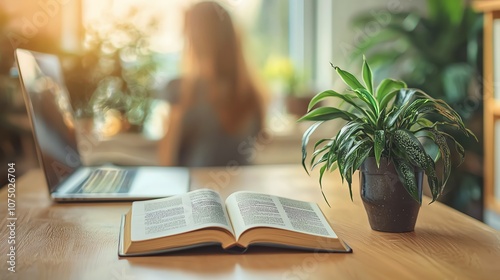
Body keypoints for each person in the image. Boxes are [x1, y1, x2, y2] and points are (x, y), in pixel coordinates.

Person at [159, 1, 266, 167]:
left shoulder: (181, 90)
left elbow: (167, 161)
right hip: (243, 187)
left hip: (197, 188)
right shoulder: (252, 93)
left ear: (194, 39)